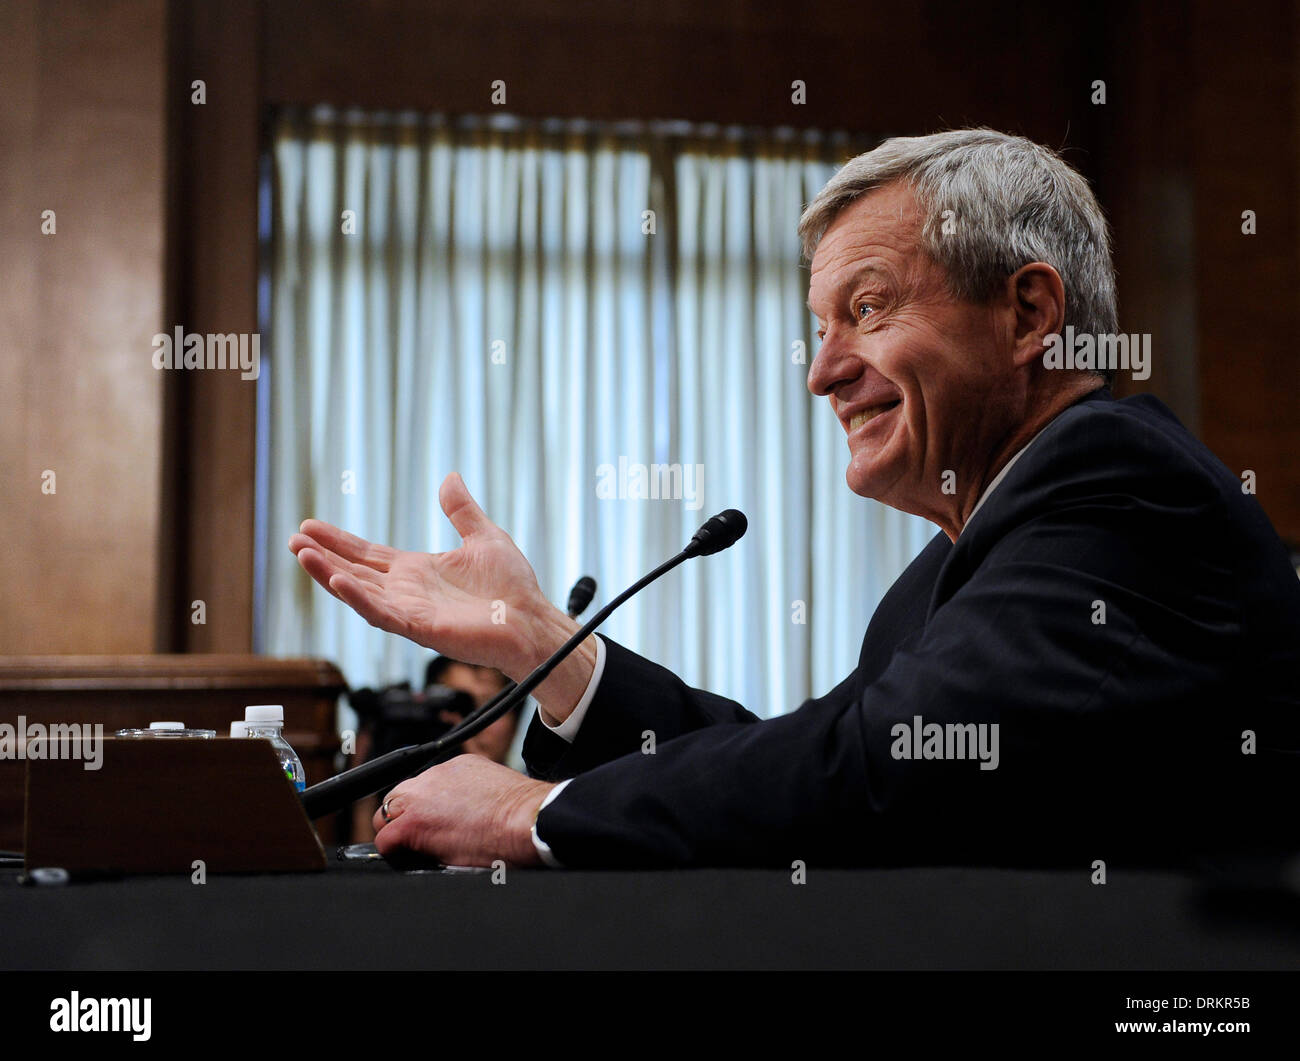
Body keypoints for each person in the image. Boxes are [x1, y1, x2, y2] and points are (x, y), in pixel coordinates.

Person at [289, 129, 1300, 869]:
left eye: (865, 308)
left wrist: (535, 811)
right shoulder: (957, 560)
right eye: (817, 327)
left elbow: (875, 772)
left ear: (1028, 310)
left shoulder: (1119, 489)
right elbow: (791, 762)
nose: (821, 373)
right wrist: (547, 648)